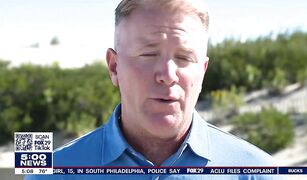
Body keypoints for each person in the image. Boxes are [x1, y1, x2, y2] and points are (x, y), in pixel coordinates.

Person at [25, 0, 279, 179]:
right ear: (114, 68)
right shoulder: (55, 172)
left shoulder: (256, 172)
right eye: (148, 54)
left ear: (202, 72)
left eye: (184, 57)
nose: (168, 76)